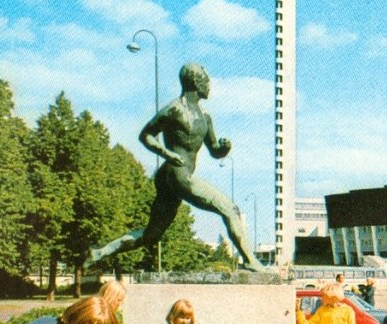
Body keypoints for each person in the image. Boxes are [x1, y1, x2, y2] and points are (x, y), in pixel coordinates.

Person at [86, 63, 264, 271]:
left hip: (172, 176)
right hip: (178, 174)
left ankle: (100, 252)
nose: (209, 86)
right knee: (230, 210)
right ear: (196, 82)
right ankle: (252, 263)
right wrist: (167, 153)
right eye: (206, 81)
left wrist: (224, 148)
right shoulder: (175, 109)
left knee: (151, 235)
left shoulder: (205, 117)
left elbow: (214, 150)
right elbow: (146, 135)